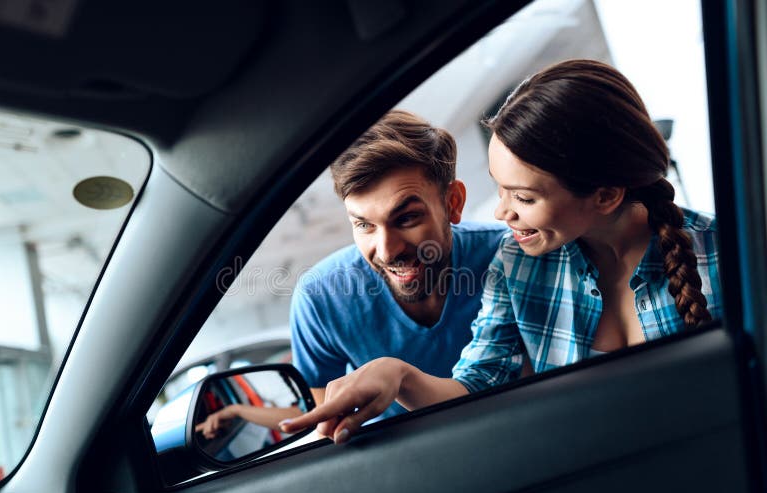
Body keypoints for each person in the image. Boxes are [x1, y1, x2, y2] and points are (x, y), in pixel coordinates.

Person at [281, 59, 722, 444]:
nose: (500, 213)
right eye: (500, 188)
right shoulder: (514, 266)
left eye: (524, 198)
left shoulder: (724, 253)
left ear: (605, 195)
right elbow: (474, 386)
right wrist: (397, 374)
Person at [290, 109, 505, 420]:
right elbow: (326, 417)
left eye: (406, 218)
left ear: (452, 203)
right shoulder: (319, 298)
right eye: (364, 225)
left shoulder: (508, 257)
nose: (388, 251)